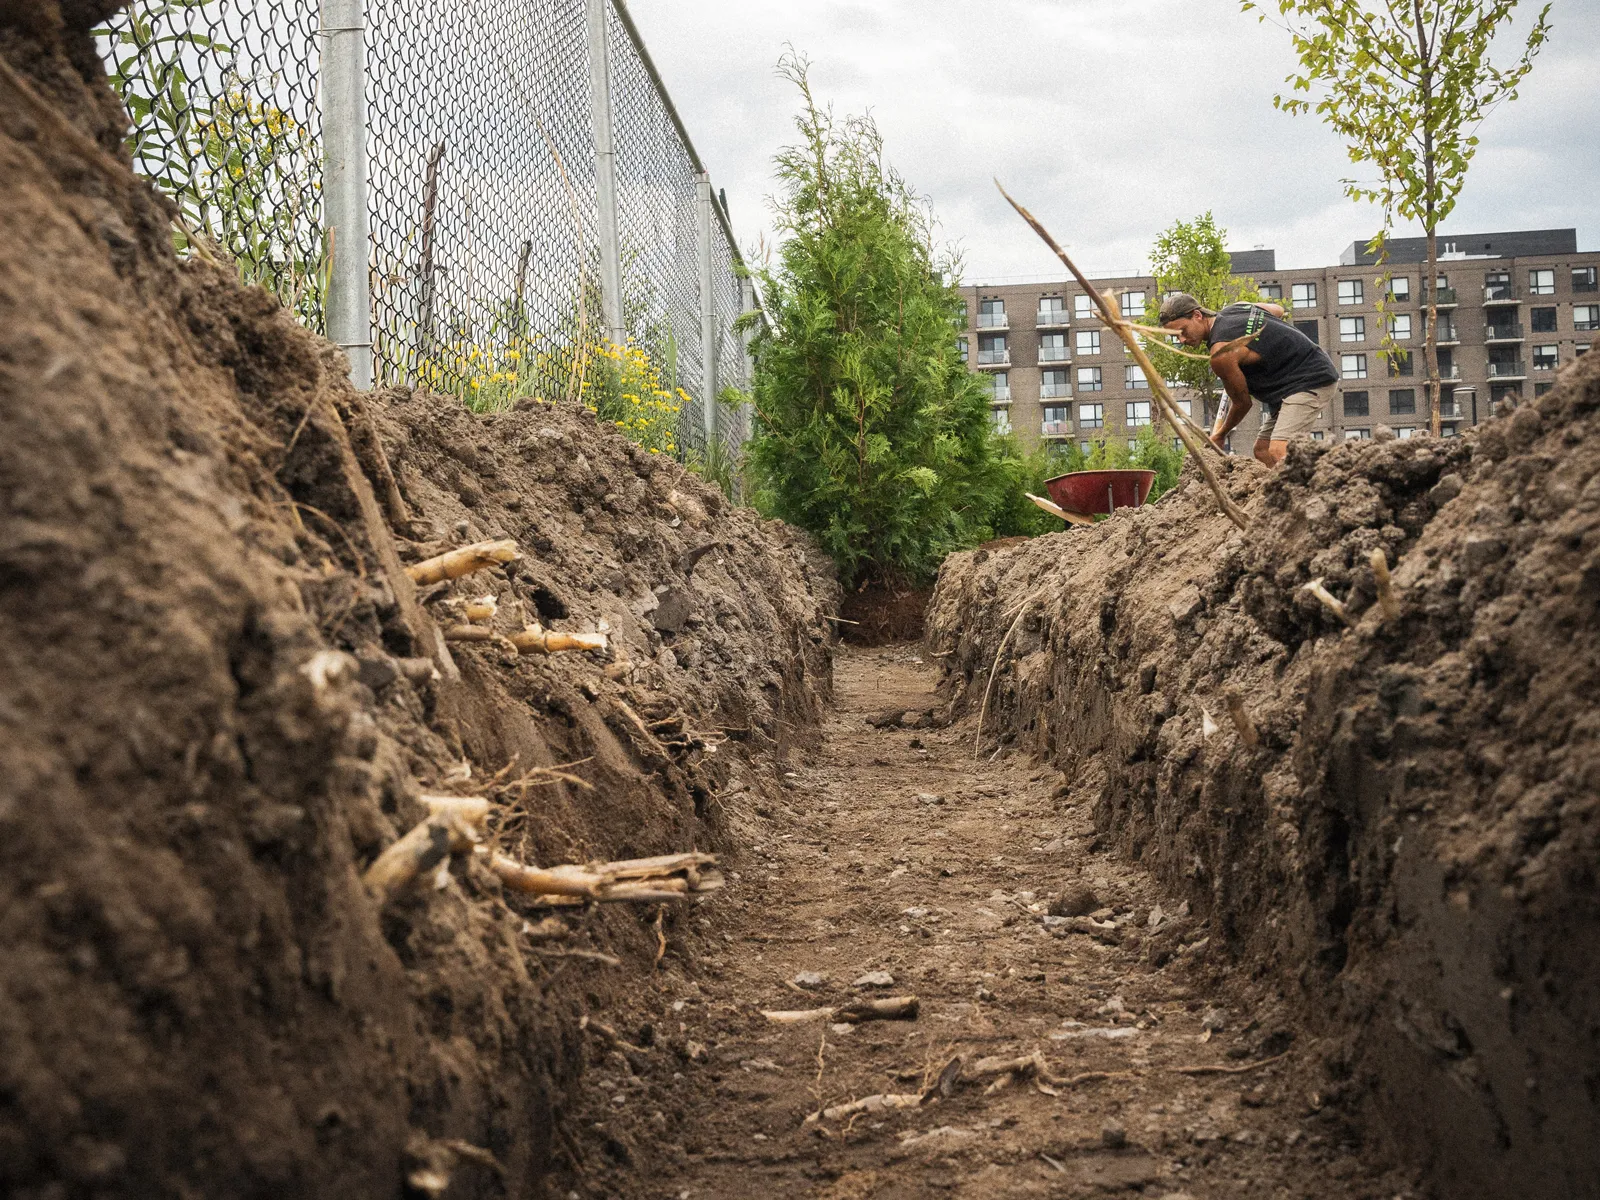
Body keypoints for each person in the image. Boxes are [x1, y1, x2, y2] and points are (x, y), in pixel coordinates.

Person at [1159, 292, 1337, 467]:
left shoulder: (1221, 353)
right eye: (1175, 337)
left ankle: (1322, 487)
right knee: (1263, 450)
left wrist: (1221, 435)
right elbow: (1278, 310)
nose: (1181, 340)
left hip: (1310, 378)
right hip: (1291, 383)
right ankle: (1279, 493)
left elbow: (1242, 404)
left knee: (1279, 449)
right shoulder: (1238, 308)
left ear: (1197, 315)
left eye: (1183, 331)